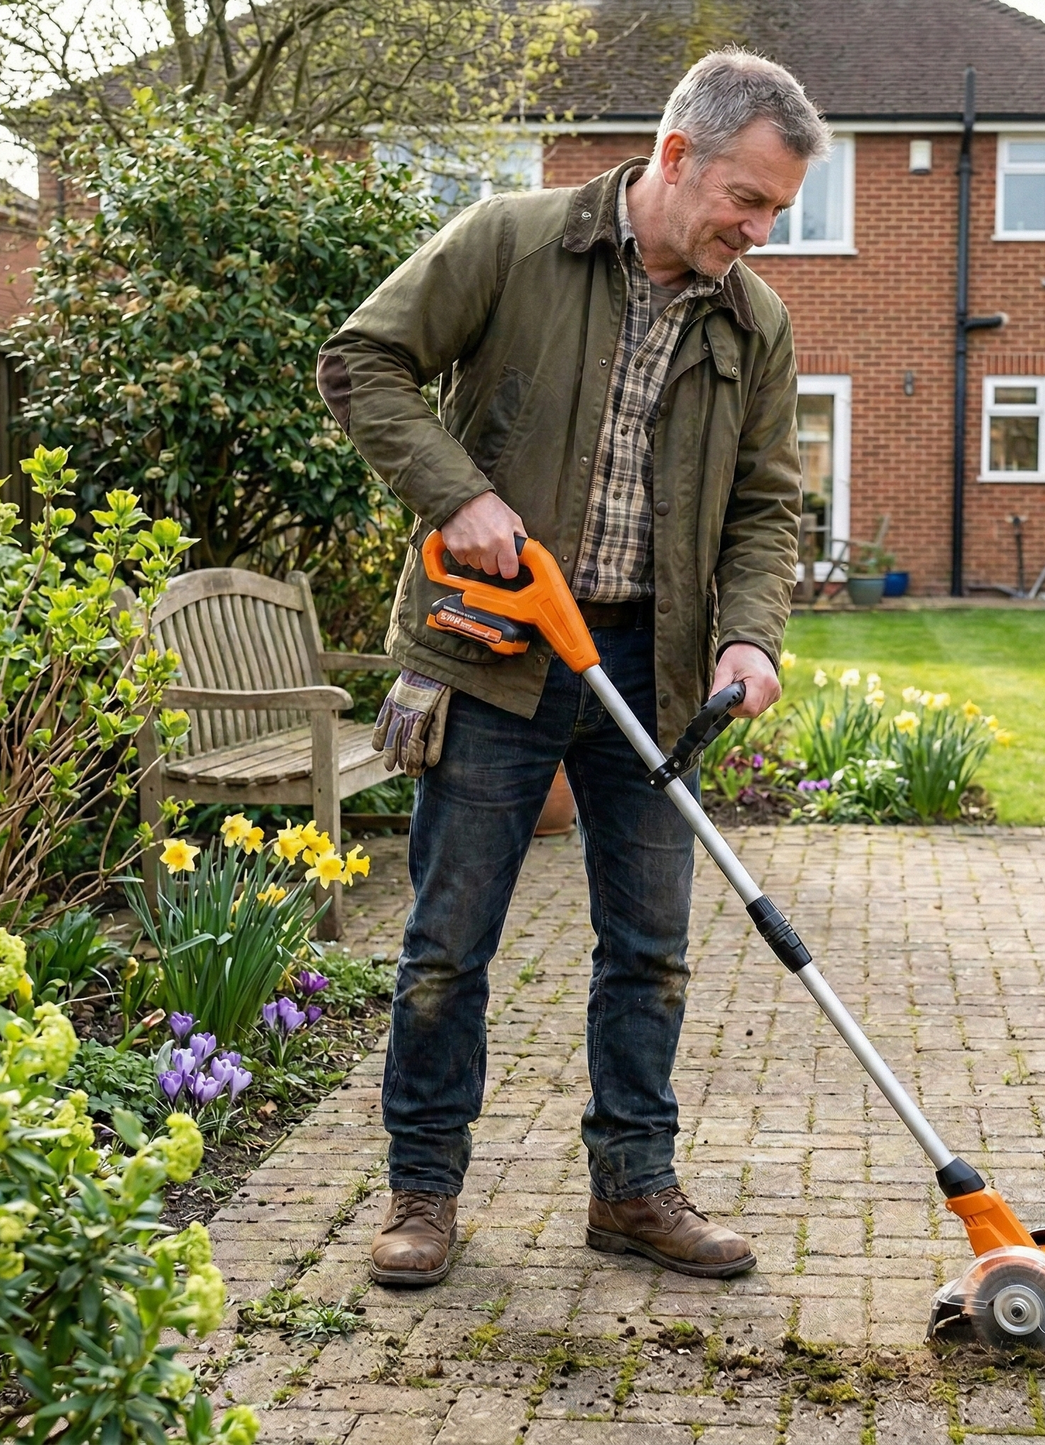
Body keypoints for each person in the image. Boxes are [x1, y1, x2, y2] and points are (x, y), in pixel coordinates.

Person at [317, 47, 830, 1287]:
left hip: (647, 673)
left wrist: (750, 631)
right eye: (746, 201)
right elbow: (360, 361)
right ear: (675, 157)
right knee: (449, 940)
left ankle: (633, 1189)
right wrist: (463, 496)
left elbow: (765, 502)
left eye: (775, 211)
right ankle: (423, 1192)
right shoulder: (512, 241)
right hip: (498, 650)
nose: (758, 232)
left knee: (649, 946)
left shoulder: (751, 322)